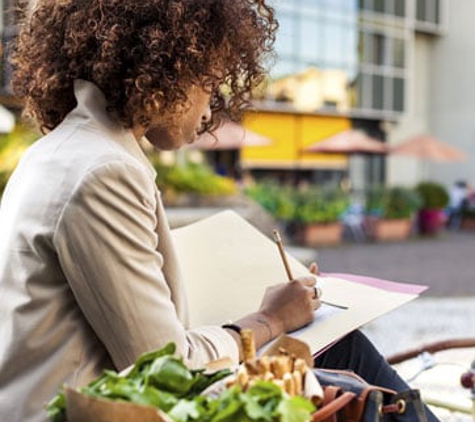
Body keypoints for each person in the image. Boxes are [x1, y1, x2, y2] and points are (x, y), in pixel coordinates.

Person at [0, 1, 439, 421]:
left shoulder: (58, 153)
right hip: (84, 410)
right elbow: (165, 368)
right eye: (209, 82)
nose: (211, 108)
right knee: (344, 350)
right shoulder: (104, 170)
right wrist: (270, 318)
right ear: (164, 66)